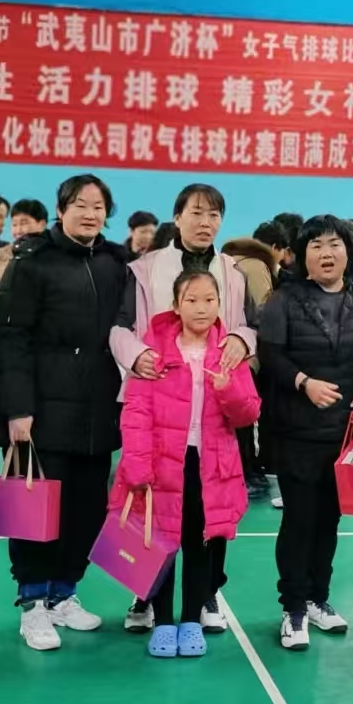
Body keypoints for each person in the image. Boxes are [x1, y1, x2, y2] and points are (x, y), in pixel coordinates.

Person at [111, 183, 256, 636]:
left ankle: (207, 593)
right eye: (196, 212)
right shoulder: (145, 268)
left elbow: (248, 326)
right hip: (157, 404)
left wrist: (241, 340)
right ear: (177, 217)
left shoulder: (232, 272)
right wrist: (137, 355)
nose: (205, 222)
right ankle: (145, 595)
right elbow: (118, 327)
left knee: (210, 509)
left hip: (214, 410)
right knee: (152, 509)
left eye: (213, 214)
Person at [0, 175, 128, 651]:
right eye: (80, 205)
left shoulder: (114, 263)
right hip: (42, 413)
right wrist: (17, 409)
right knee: (36, 512)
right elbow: (9, 339)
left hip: (97, 412)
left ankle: (63, 593)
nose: (90, 214)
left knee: (87, 512)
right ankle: (32, 603)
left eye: (98, 206)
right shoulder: (32, 262)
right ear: (62, 208)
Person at [259, 215, 353, 650]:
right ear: (302, 256)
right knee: (299, 519)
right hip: (296, 431)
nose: (327, 253)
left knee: (330, 520)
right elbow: (270, 356)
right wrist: (303, 382)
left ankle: (317, 599)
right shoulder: (283, 300)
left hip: (343, 435)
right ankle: (292, 607)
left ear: (348, 251)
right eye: (317, 246)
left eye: (335, 244)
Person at [0, 199, 49, 477]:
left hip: (49, 362)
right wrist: (8, 303)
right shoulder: (4, 258)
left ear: (42, 223)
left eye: (24, 222)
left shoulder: (57, 258)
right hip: (7, 354)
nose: (18, 229)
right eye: (14, 224)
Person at [222, 222, 285, 500]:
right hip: (249, 353)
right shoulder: (257, 266)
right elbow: (264, 309)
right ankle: (249, 474)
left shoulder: (225, 262)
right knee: (246, 417)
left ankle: (238, 472)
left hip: (226, 350)